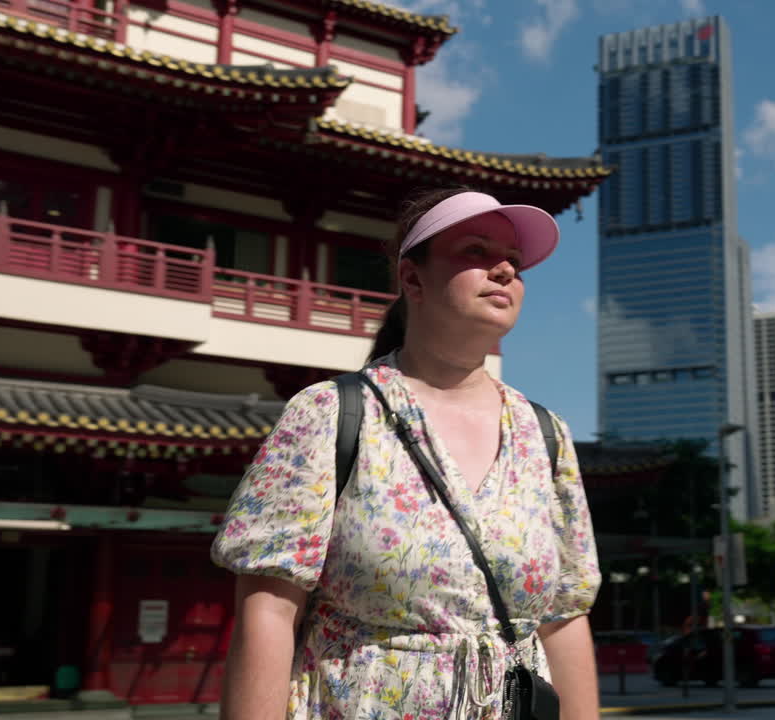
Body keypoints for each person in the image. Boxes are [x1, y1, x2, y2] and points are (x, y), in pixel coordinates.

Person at [211, 188, 602, 720]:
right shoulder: (331, 415)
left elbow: (563, 618)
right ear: (412, 278)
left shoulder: (544, 433)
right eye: (476, 251)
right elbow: (269, 612)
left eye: (514, 260)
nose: (506, 270)